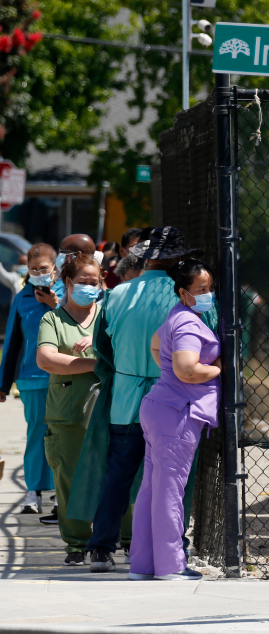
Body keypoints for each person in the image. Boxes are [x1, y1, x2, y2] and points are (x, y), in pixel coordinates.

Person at [72, 227, 213, 574]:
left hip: (126, 397)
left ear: (145, 257)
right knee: (171, 480)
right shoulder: (185, 295)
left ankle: (101, 548)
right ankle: (173, 548)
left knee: (118, 474)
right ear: (178, 259)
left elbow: (102, 350)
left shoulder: (117, 295)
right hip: (174, 400)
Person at [130, 259, 220, 581]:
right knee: (169, 491)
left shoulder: (176, 316)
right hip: (177, 414)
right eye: (201, 290)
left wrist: (171, 374)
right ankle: (170, 566)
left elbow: (156, 345)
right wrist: (218, 369)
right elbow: (187, 369)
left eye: (209, 288)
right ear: (184, 292)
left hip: (161, 407)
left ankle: (142, 565)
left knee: (152, 489)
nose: (208, 294)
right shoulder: (188, 324)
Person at [35, 252, 104, 565]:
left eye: (95, 282)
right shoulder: (53, 319)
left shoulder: (108, 315)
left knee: (118, 475)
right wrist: (96, 364)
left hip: (109, 410)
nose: (90, 287)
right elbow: (47, 359)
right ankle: (77, 543)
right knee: (70, 479)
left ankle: (123, 538)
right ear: (67, 283)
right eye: (83, 282)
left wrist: (93, 349)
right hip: (68, 414)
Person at [0, 244, 57, 515]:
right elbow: (12, 342)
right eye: (34, 269)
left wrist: (54, 304)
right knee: (37, 433)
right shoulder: (22, 298)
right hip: (31, 377)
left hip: (64, 376)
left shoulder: (67, 296)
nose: (38, 273)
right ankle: (33, 491)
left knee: (61, 435)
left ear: (54, 269)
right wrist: (3, 383)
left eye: (43, 269)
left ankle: (60, 489)